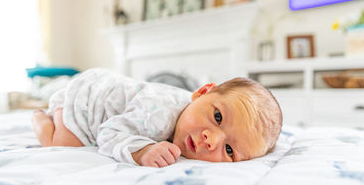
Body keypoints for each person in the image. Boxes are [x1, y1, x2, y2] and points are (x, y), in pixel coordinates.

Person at [32, 68, 282, 168]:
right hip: (88, 97)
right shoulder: (158, 113)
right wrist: (141, 151)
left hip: (112, 89)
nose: (211, 139)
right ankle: (41, 116)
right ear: (201, 93)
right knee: (61, 144)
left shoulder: (191, 117)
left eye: (229, 150)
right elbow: (108, 132)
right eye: (217, 116)